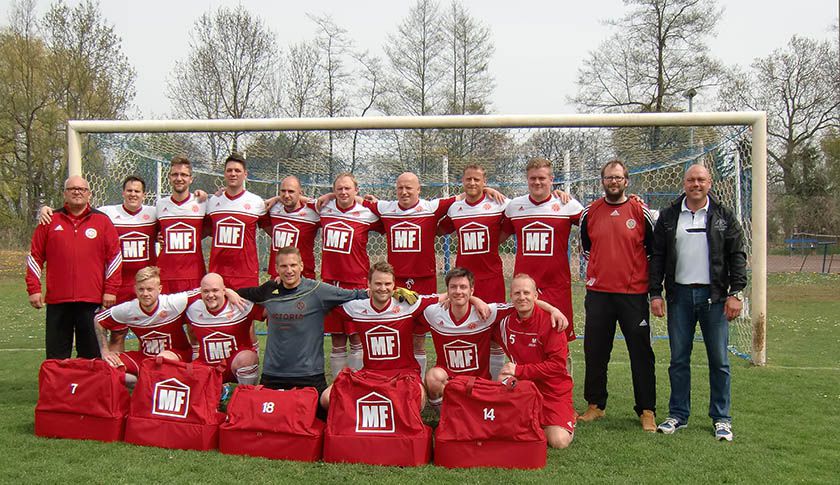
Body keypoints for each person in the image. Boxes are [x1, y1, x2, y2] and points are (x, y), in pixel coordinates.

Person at [649, 164, 747, 442]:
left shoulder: (724, 216)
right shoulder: (668, 216)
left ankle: (721, 418)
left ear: (710, 183)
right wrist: (655, 293)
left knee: (719, 361)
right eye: (691, 179)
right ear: (684, 183)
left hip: (714, 298)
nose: (696, 184)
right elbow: (657, 256)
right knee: (679, 359)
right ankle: (678, 415)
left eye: (701, 179)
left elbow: (737, 255)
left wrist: (736, 292)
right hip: (679, 297)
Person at [578, 160, 657, 432]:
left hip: (632, 294)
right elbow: (587, 248)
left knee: (641, 353)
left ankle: (646, 409)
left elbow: (651, 249)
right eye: (609, 177)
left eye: (618, 177)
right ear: (602, 181)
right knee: (596, 351)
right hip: (599, 292)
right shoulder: (590, 212)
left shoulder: (639, 210)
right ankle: (595, 405)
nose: (613, 182)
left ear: (627, 180)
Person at [419, 267, 567, 412]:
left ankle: (488, 396)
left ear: (471, 291)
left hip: (479, 382)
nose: (458, 291)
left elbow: (523, 302)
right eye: (453, 287)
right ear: (447, 291)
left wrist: (553, 310)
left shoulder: (487, 312)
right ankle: (443, 412)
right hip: (448, 379)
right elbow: (413, 305)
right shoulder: (434, 312)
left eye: (463, 287)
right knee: (433, 377)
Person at [235, 246, 370, 403]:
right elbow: (242, 293)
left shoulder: (318, 290)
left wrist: (388, 293)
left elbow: (355, 295)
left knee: (319, 420)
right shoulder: (269, 289)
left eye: (293, 265)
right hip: (273, 375)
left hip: (309, 375)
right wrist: (229, 292)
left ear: (301, 266)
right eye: (284, 266)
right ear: (277, 268)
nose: (289, 270)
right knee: (267, 422)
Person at [26, 175, 122, 359]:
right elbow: (35, 256)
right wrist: (34, 288)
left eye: (82, 189)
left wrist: (111, 290)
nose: (77, 192)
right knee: (56, 355)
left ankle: (89, 388)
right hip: (58, 301)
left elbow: (115, 258)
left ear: (89, 194)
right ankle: (59, 388)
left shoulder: (102, 221)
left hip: (91, 300)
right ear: (64, 194)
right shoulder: (49, 220)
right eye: (72, 189)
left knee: (91, 354)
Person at [319, 261, 437, 410]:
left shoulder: (408, 304)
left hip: (403, 374)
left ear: (395, 285)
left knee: (415, 402)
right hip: (370, 375)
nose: (383, 288)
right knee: (327, 399)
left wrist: (475, 300)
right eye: (378, 284)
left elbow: (447, 297)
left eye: (388, 284)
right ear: (368, 284)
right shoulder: (357, 307)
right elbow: (320, 299)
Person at [37, 176, 158, 305]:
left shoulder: (154, 213)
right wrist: (46, 210)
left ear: (144, 195)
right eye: (129, 191)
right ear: (123, 193)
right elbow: (79, 210)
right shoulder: (107, 213)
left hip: (145, 283)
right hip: (118, 285)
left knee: (145, 323)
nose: (133, 194)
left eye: (137, 191)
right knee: (114, 323)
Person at [502, 157, 584, 343]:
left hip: (556, 285)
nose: (537, 182)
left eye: (542, 178)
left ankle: (561, 372)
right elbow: (497, 235)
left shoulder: (567, 205)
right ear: (527, 180)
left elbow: (593, 224)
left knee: (559, 338)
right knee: (525, 338)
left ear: (551, 179)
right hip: (524, 287)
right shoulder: (514, 206)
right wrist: (487, 190)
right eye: (532, 178)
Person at [496, 274, 575, 449]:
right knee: (503, 377)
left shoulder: (552, 322)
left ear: (536, 296)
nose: (522, 297)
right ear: (511, 296)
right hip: (523, 388)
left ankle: (564, 418)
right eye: (517, 293)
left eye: (526, 292)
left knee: (558, 441)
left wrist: (519, 370)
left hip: (553, 391)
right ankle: (528, 419)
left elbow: (557, 366)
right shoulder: (505, 321)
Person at [318, 173, 381, 377]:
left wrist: (369, 202)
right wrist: (327, 196)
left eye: (348, 188)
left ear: (356, 190)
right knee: (337, 339)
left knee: (356, 337)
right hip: (330, 282)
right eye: (339, 189)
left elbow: (389, 215)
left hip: (357, 282)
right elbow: (294, 201)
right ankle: (338, 387)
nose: (343, 192)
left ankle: (356, 384)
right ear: (334, 190)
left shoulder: (366, 212)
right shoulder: (324, 208)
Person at [93, 266, 198, 385]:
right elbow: (98, 319)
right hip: (145, 358)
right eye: (141, 289)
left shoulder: (173, 302)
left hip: (177, 355)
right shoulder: (129, 309)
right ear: (135, 289)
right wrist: (105, 351)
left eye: (150, 289)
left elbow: (201, 291)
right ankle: (144, 382)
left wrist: (224, 291)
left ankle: (150, 382)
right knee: (108, 367)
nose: (145, 294)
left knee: (162, 359)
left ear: (159, 289)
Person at [185, 273, 262, 385]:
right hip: (206, 366)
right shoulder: (192, 308)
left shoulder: (239, 304)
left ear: (224, 290)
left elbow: (269, 312)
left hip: (234, 364)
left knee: (248, 358)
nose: (211, 295)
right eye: (206, 291)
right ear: (200, 292)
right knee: (189, 373)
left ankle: (246, 394)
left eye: (215, 290)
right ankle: (218, 390)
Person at [206, 152, 268, 290]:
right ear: (224, 174)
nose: (233, 174)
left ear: (245, 174)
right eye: (229, 170)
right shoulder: (213, 202)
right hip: (218, 273)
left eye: (237, 171)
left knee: (247, 311)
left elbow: (273, 230)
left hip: (245, 274)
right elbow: (202, 230)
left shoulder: (256, 202)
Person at [156, 156, 208, 293]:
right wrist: (157, 237)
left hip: (194, 275)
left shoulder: (202, 203)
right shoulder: (160, 205)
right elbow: (153, 231)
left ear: (191, 179)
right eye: (175, 174)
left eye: (184, 175)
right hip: (165, 275)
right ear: (169, 177)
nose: (179, 178)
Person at [264, 176, 320, 280]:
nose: (286, 195)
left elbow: (335, 205)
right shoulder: (272, 209)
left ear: (300, 193)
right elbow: (270, 230)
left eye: (291, 191)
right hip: (277, 276)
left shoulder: (313, 213)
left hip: (304, 277)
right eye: (283, 191)